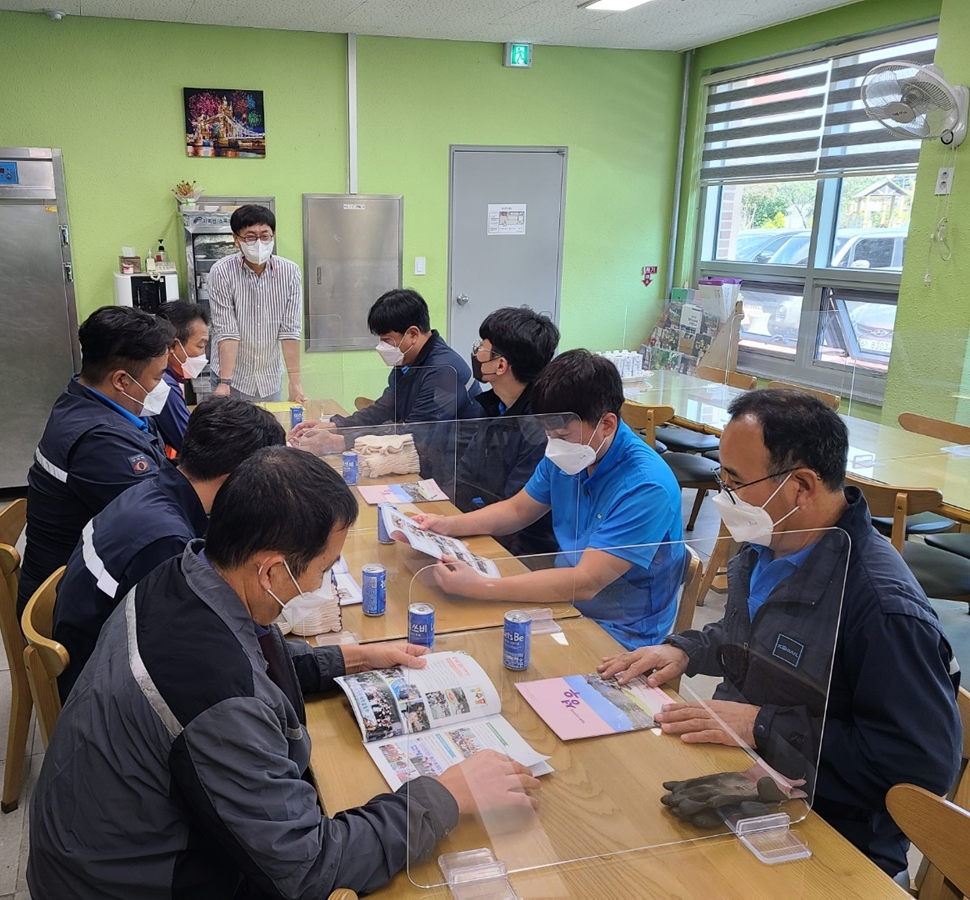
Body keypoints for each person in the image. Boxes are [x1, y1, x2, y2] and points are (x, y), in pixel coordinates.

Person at [27, 447, 539, 898]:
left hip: (109, 844)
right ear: (272, 569)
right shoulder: (214, 697)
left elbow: (245, 658)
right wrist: (445, 795)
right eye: (324, 569)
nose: (321, 584)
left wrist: (353, 658)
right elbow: (308, 869)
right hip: (138, 882)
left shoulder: (183, 573)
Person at [597, 389, 962, 883]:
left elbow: (920, 770)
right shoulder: (772, 543)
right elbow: (749, 635)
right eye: (722, 479)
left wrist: (762, 725)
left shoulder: (882, 608)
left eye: (736, 482)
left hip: (833, 834)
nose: (724, 496)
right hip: (745, 779)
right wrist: (683, 650)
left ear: (802, 487)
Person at [412, 350, 686, 650]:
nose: (554, 445)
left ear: (606, 424)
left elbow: (586, 582)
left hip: (619, 630)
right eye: (548, 434)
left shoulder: (647, 486)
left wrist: (481, 586)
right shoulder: (573, 453)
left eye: (563, 435)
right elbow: (518, 510)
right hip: (561, 599)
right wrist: (449, 525)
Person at [53, 397, 285, 699]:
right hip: (105, 690)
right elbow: (190, 651)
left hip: (98, 652)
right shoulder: (167, 542)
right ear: (235, 481)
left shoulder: (155, 488)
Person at [16, 306, 171, 617]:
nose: (162, 386)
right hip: (69, 607)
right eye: (158, 376)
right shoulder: (99, 441)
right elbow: (162, 521)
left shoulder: (84, 398)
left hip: (76, 578)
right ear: (122, 380)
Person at [292, 288, 479, 441]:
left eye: (387, 340)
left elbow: (416, 434)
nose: (382, 347)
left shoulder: (444, 371)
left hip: (457, 464)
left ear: (413, 334)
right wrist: (335, 426)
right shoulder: (407, 362)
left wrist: (341, 442)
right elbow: (385, 408)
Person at [453, 306, 560, 558]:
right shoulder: (494, 405)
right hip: (484, 527)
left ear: (500, 365)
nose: (476, 353)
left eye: (482, 347)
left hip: (520, 549)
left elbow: (518, 515)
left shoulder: (539, 427)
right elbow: (465, 475)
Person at [208, 204, 305, 403]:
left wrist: (295, 383)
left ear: (273, 236)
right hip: (232, 378)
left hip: (269, 377)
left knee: (269, 423)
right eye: (250, 237)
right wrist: (224, 382)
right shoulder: (221, 271)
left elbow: (290, 331)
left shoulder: (290, 272)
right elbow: (227, 331)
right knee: (230, 424)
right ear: (236, 239)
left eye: (265, 236)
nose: (259, 243)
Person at [153, 301, 210, 454]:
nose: (203, 354)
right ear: (173, 345)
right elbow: (192, 447)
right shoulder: (165, 386)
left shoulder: (170, 380)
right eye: (200, 346)